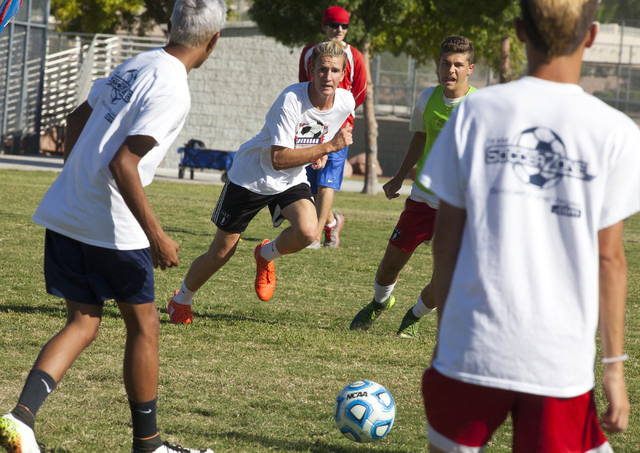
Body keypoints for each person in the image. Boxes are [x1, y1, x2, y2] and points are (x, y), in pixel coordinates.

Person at [0, 1, 225, 452]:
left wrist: (76, 186)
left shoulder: (137, 62)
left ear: (171, 27)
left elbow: (76, 120)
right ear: (213, 42)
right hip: (113, 226)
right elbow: (126, 163)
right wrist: (158, 236)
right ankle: (149, 445)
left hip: (67, 211)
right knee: (144, 327)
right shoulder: (174, 88)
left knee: (83, 321)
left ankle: (20, 419)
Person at [419, 0, 640, 451]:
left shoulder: (474, 114)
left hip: (471, 347)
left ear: (519, 31)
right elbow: (610, 260)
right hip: (557, 361)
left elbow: (446, 239)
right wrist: (613, 368)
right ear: (592, 36)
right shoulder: (615, 131)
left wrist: (446, 335)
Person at [167, 40, 355, 325]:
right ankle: (180, 300)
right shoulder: (291, 100)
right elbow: (278, 158)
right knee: (221, 252)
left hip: (290, 179)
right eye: (322, 69)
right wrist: (326, 148)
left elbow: (326, 128)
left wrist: (319, 152)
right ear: (311, 69)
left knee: (308, 231)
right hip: (252, 177)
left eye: (334, 71)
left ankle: (265, 254)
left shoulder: (346, 101)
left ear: (343, 74)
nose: (327, 77)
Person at [349, 36, 475, 339]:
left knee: (447, 276)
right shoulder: (427, 99)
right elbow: (419, 137)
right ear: (438, 65)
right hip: (422, 199)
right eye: (446, 63)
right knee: (388, 266)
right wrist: (398, 176)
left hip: (459, 208)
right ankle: (380, 303)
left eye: (458, 64)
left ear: (470, 68)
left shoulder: (480, 107)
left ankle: (414, 317)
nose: (451, 70)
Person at [298, 5, 366, 249]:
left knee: (327, 182)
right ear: (323, 26)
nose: (339, 30)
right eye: (334, 25)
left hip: (341, 126)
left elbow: (359, 90)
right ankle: (332, 221)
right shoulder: (309, 53)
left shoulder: (355, 56)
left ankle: (314, 236)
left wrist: (340, 114)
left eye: (344, 26)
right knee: (312, 183)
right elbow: (303, 84)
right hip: (312, 124)